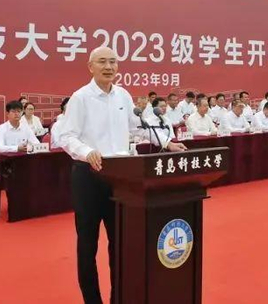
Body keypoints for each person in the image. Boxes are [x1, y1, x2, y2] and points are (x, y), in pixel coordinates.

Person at [59, 47, 186, 304]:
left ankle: (119, 297)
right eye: (102, 62)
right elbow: (66, 136)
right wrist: (87, 151)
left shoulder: (123, 96)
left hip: (120, 178)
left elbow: (139, 127)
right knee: (88, 245)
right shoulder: (80, 98)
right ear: (90, 67)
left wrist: (167, 142)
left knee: (119, 242)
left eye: (113, 62)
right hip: (89, 176)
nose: (109, 67)